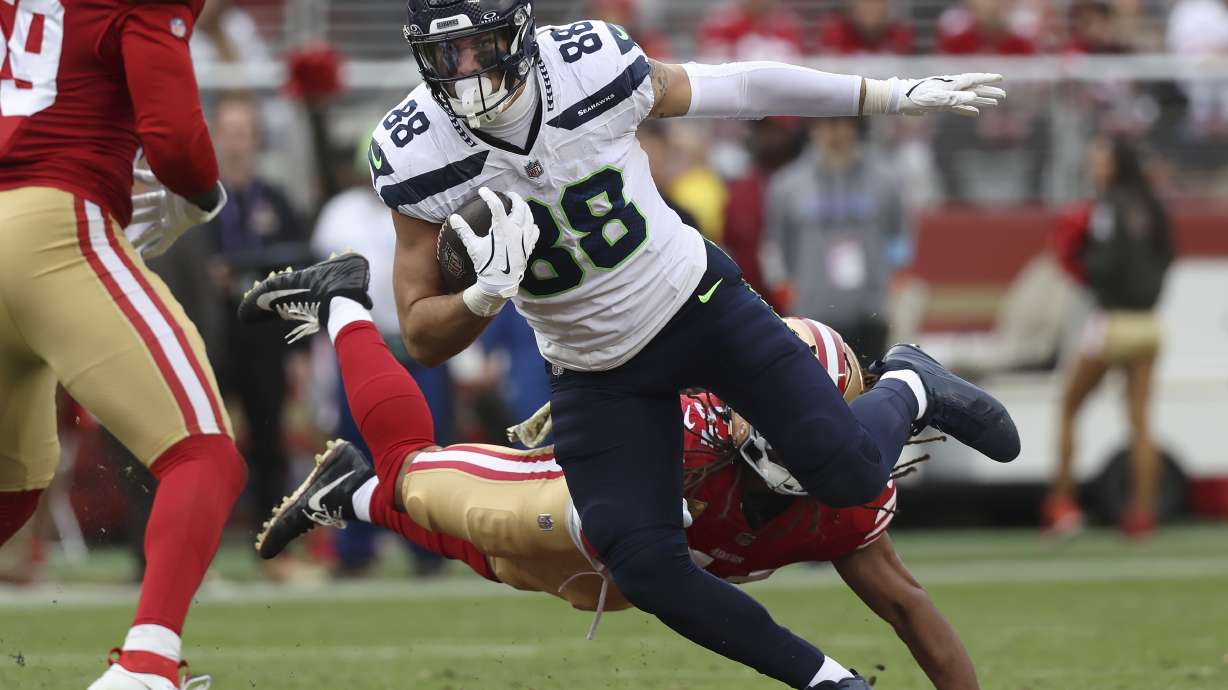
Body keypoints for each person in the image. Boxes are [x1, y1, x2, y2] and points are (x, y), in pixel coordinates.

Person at [243, 4, 1018, 687]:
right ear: (422, 54)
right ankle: (824, 680)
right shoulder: (415, 149)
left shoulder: (588, 65)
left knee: (846, 473)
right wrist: (483, 295)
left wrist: (886, 95)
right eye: (449, 54)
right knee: (643, 564)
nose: (469, 69)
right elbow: (420, 330)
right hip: (594, 369)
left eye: (481, 45)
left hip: (697, 305)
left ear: (520, 31)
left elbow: (738, 89)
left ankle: (909, 384)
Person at [246, 256, 982, 689]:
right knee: (417, 474)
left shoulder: (843, 499)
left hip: (620, 572)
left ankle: (354, 493)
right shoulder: (696, 433)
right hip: (573, 496)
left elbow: (909, 607)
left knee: (505, 563)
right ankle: (345, 299)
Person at [0, 2, 246, 689]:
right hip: (54, 223)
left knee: (12, 488)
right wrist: (199, 193)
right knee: (205, 453)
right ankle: (145, 667)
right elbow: (174, 141)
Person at [1044, 136, 1173, 539]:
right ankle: (1142, 516)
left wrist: (1078, 254)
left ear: (1117, 165)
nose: (1094, 168)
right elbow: (1165, 257)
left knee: (1069, 405)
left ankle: (1062, 506)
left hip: (1113, 322)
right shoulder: (1152, 206)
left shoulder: (1106, 208)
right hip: (1149, 324)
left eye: (1100, 161)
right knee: (1140, 424)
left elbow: (1104, 265)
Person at [762, 117, 910, 364]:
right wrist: (786, 290)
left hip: (870, 313)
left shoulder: (885, 181)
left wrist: (889, 279)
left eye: (843, 124)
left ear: (856, 128)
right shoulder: (787, 184)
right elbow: (774, 245)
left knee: (869, 391)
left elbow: (899, 238)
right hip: (812, 317)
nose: (835, 133)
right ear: (813, 130)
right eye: (826, 125)